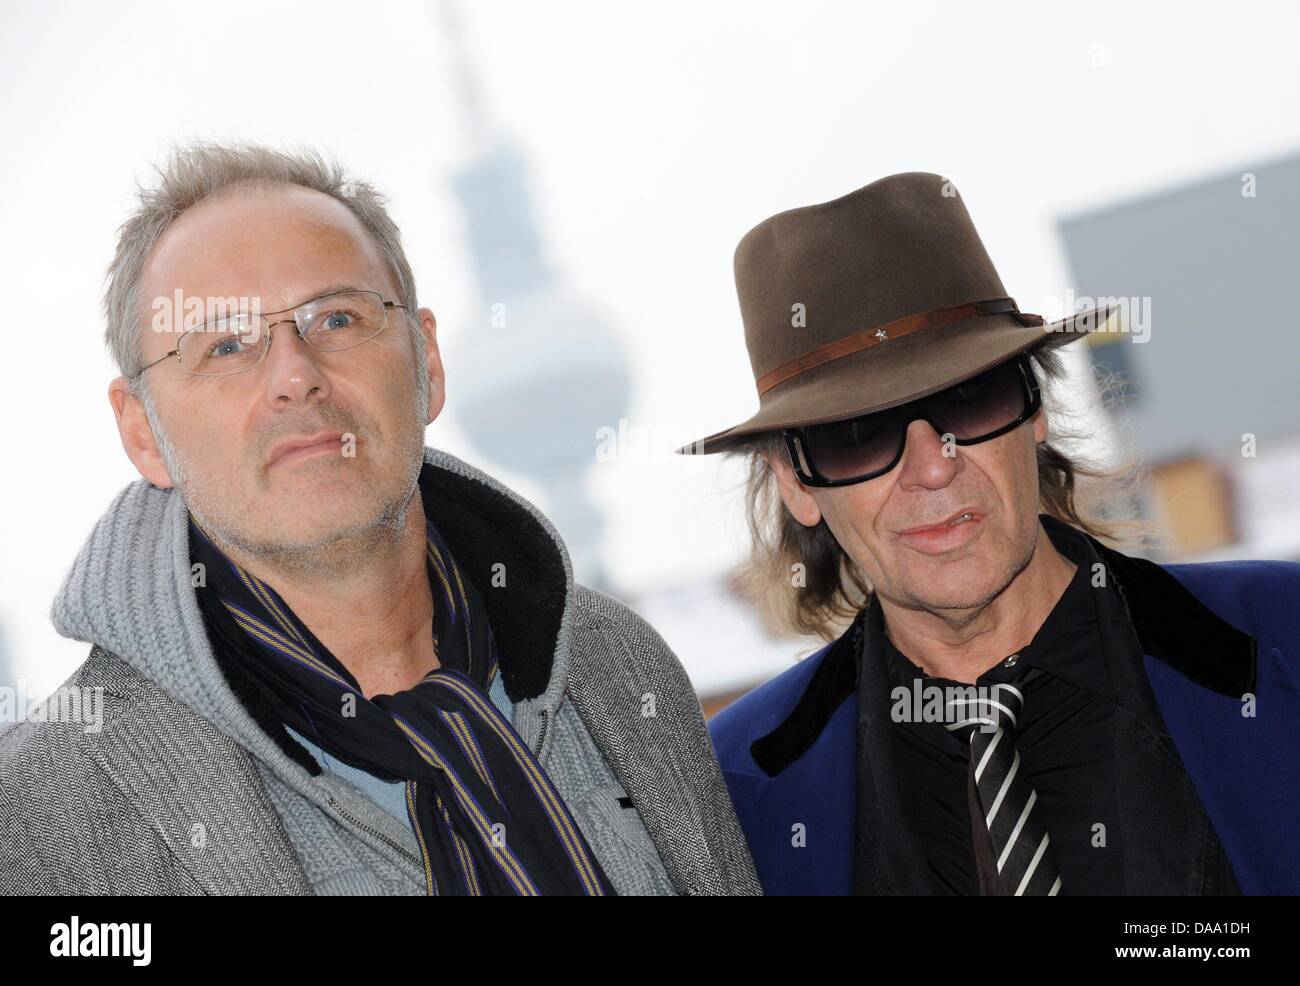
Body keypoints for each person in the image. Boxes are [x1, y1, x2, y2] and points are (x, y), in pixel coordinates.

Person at [0, 142, 759, 896]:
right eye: (226, 344)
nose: (295, 376)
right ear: (142, 432)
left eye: (335, 318)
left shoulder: (617, 666)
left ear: (426, 361)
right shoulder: (38, 815)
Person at [679, 172, 1300, 895]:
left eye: (966, 401)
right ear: (796, 484)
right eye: (855, 436)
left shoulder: (1284, 635)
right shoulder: (727, 800)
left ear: (1035, 407)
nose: (931, 469)